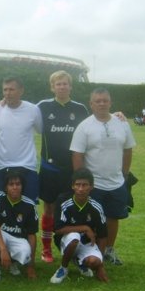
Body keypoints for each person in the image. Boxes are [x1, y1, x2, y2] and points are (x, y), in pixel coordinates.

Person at [70, 88, 136, 265]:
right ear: (91, 104)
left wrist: (124, 174)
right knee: (90, 219)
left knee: (113, 218)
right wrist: (82, 182)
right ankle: (87, 252)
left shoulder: (122, 123)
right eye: (97, 101)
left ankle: (108, 250)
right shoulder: (84, 126)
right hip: (94, 184)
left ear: (110, 102)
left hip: (117, 183)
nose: (102, 104)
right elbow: (77, 154)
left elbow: (128, 149)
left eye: (105, 100)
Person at [36, 70, 89, 263]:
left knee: (73, 207)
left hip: (72, 169)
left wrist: (116, 115)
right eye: (58, 84)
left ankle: (74, 247)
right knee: (49, 208)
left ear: (70, 86)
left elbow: (94, 124)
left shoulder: (80, 109)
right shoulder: (42, 106)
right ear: (52, 87)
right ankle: (46, 248)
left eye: (65, 83)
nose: (62, 87)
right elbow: (22, 112)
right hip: (50, 168)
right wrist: (3, 102)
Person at [0, 77, 42, 204]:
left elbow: (40, 130)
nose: (8, 93)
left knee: (29, 207)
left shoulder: (33, 110)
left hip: (27, 166)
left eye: (11, 89)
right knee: (4, 207)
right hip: (2, 166)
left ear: (21, 91)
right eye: (5, 90)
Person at [49, 168, 108, 284]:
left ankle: (80, 262)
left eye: (84, 185)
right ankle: (63, 268)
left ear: (91, 187)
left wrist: (100, 266)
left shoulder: (96, 207)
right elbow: (57, 229)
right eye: (78, 185)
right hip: (66, 240)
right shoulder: (63, 201)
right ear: (72, 186)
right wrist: (85, 228)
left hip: (86, 243)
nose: (80, 189)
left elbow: (103, 236)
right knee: (74, 237)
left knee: (94, 262)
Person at [0, 171, 39, 282]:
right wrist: (3, 249)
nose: (15, 187)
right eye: (11, 184)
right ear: (6, 187)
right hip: (0, 234)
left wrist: (31, 266)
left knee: (25, 252)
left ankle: (12, 263)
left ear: (22, 186)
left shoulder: (30, 205)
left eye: (18, 184)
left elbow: (32, 235)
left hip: (18, 238)